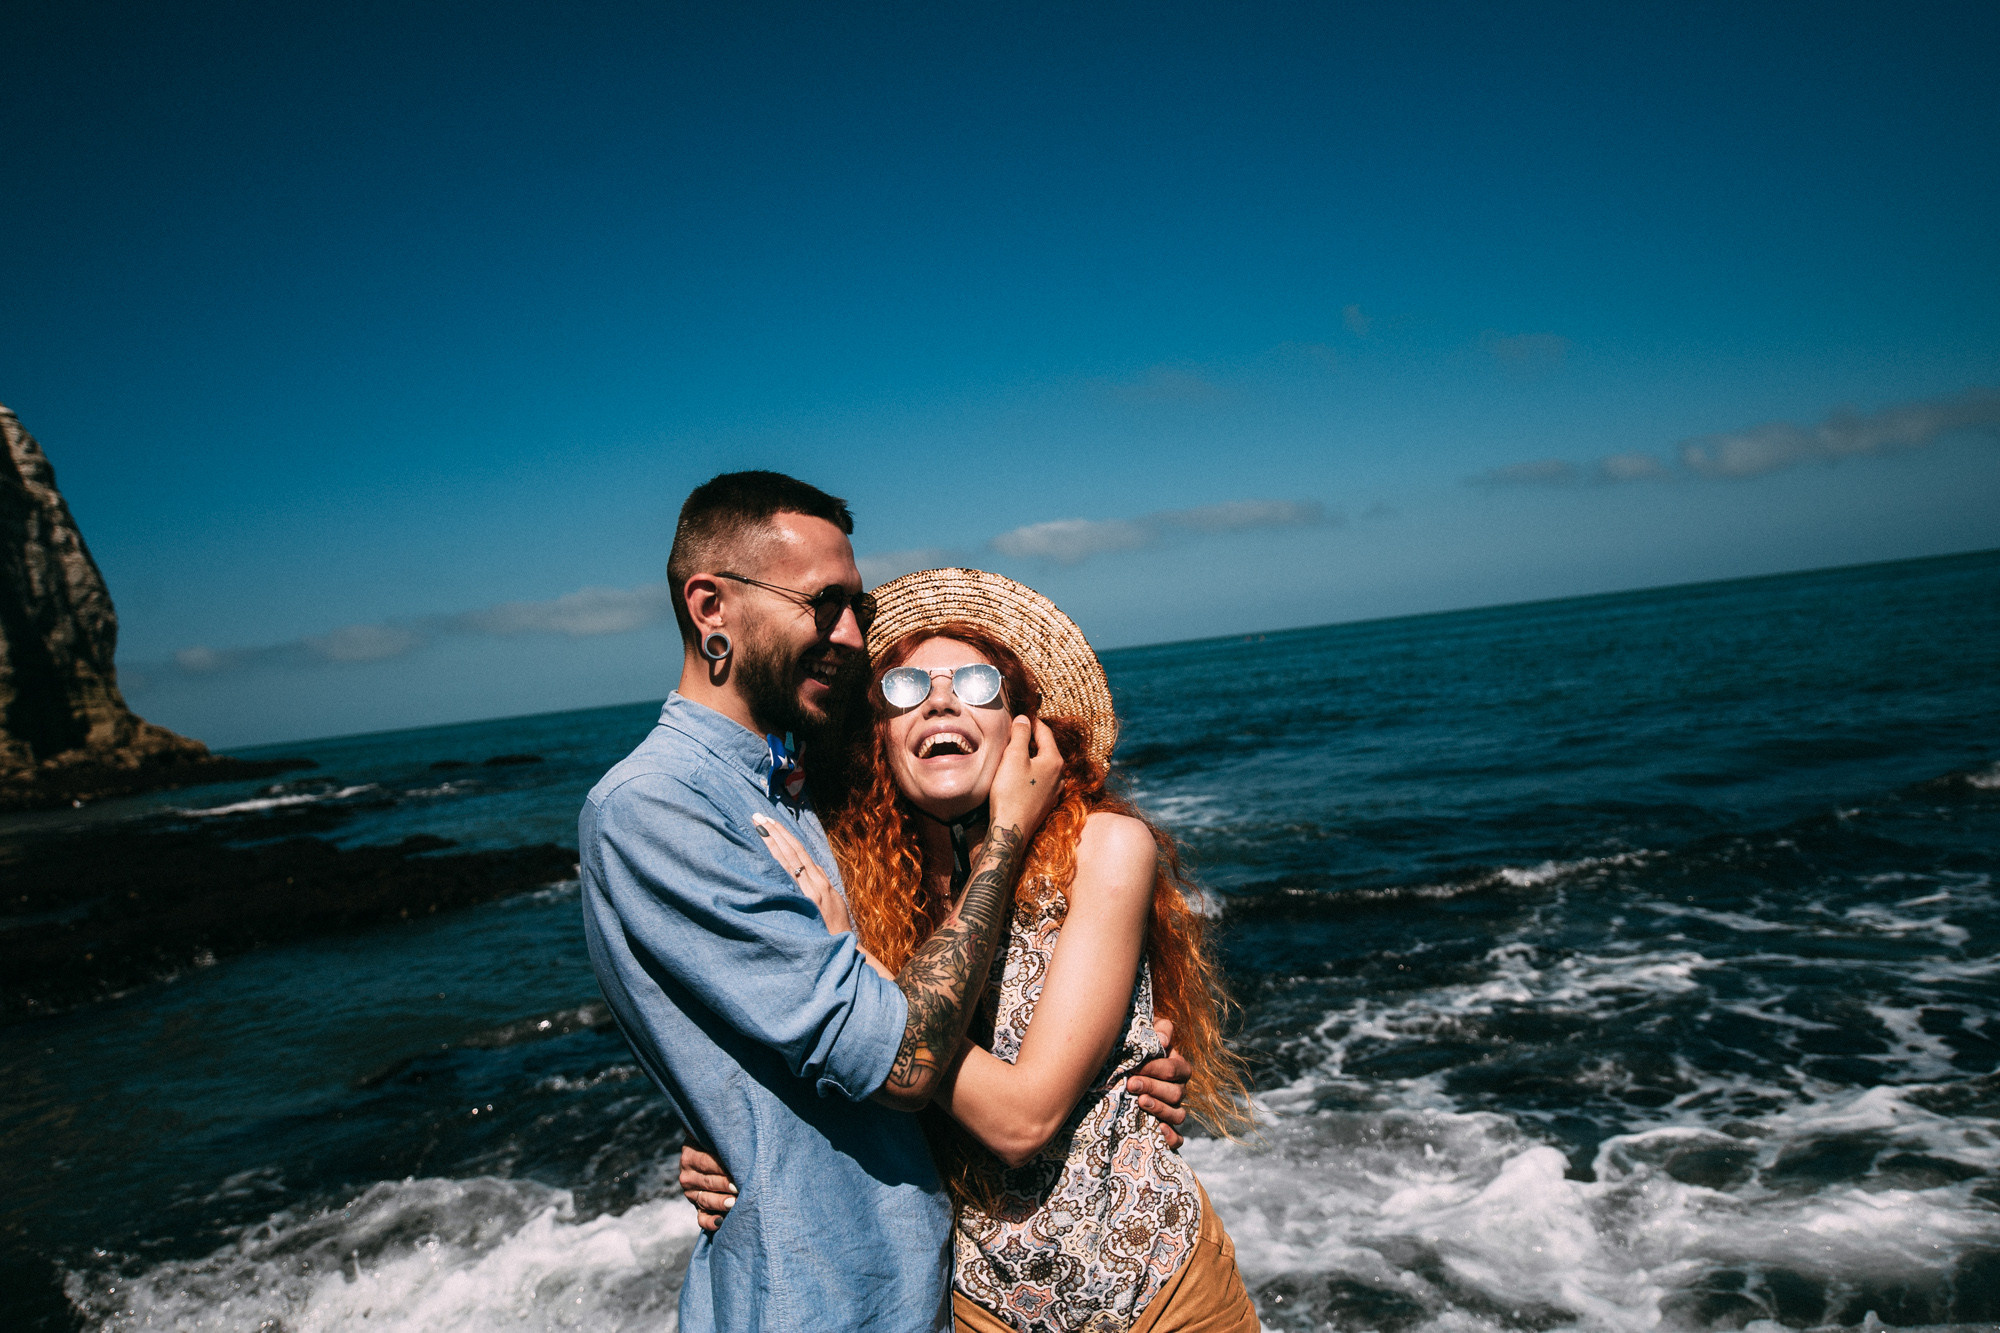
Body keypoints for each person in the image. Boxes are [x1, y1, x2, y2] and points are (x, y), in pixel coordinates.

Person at [581, 474, 1189, 1333]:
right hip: (821, 1302)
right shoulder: (656, 806)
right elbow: (897, 1060)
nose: (851, 636)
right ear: (710, 607)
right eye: (824, 604)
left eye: (855, 607)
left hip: (949, 1290)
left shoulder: (807, 804)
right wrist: (724, 1136)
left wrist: (1132, 1073)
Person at [683, 568, 1260, 1333]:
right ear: (877, 736)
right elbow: (801, 1070)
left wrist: (859, 991)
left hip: (1166, 1287)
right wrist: (727, 1145)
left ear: (1027, 727)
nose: (940, 699)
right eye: (905, 686)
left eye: (978, 682)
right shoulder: (847, 894)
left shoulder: (1107, 849)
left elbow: (1024, 1120)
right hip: (977, 1308)